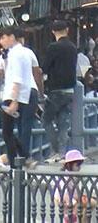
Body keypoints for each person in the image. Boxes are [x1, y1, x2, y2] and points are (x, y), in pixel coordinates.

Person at [0, 26, 39, 164]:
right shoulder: (24, 52)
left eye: (3, 38)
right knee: (22, 128)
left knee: (7, 131)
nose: (1, 41)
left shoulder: (15, 54)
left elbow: (17, 78)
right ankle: (23, 157)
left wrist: (14, 100)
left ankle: (17, 161)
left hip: (14, 95)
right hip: (23, 93)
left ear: (12, 37)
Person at [41, 20, 79, 163]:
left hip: (55, 89)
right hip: (70, 90)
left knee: (46, 120)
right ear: (67, 30)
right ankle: (63, 153)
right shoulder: (73, 47)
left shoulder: (53, 47)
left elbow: (45, 67)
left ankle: (55, 150)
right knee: (63, 123)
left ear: (53, 32)